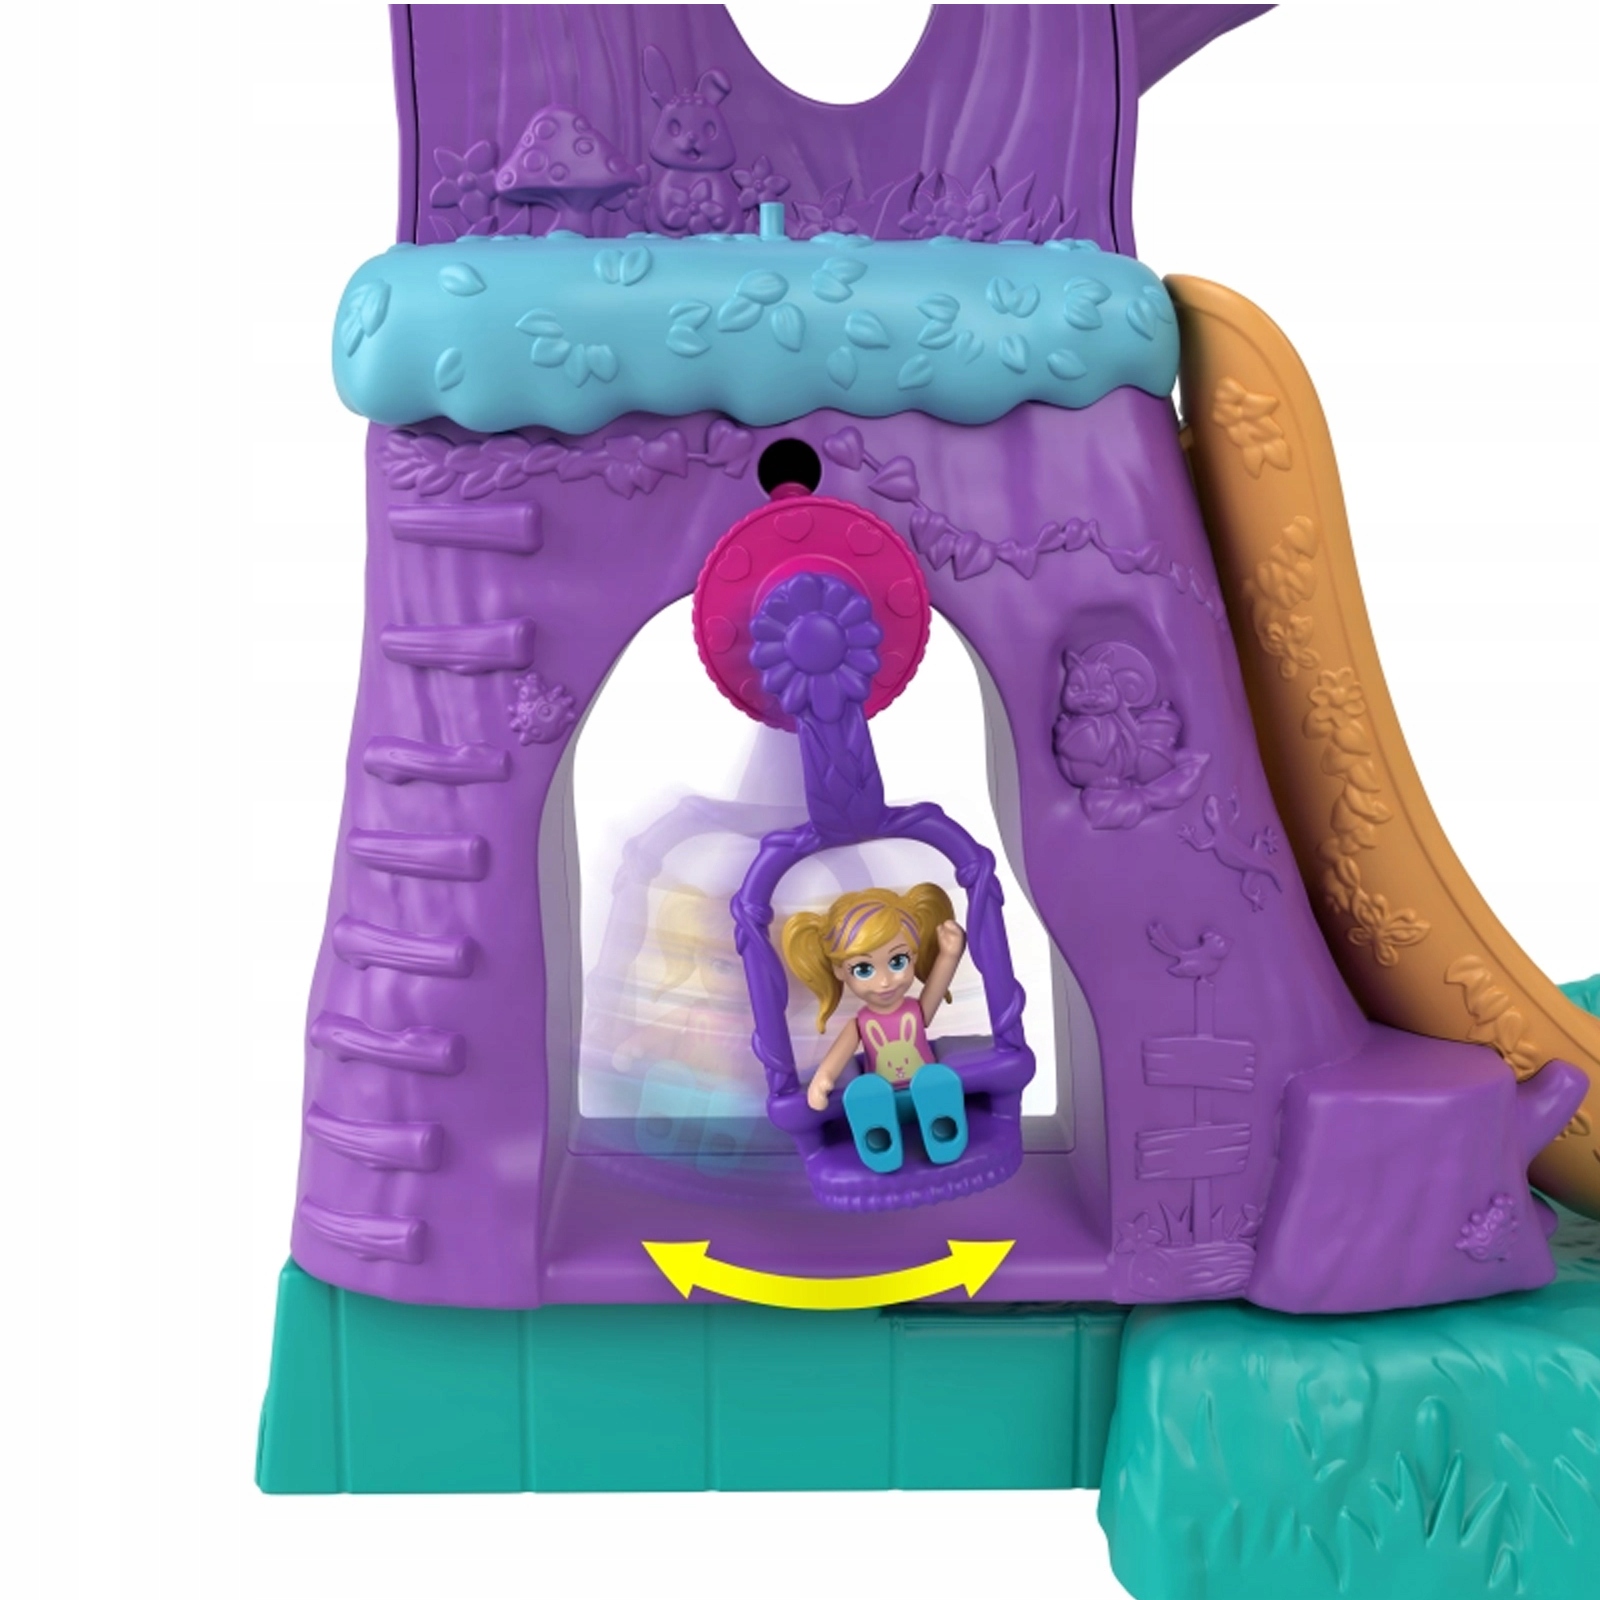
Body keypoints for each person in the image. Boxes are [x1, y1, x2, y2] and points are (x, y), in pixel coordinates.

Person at [781, 884, 969, 1173]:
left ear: (913, 956)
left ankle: (943, 1135)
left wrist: (949, 955)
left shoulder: (915, 1011)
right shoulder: (861, 1023)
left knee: (935, 1079)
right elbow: (837, 1057)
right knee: (866, 1090)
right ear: (840, 970)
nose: (884, 982)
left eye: (897, 962)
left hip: (926, 1093)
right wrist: (823, 1079)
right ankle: (880, 1143)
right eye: (864, 969)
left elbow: (936, 986)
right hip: (883, 1102)